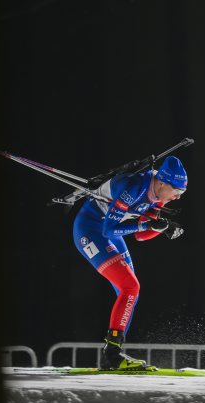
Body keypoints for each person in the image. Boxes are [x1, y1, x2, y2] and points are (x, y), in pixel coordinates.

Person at [72, 155, 187, 370]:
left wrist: (161, 228)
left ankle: (113, 354)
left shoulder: (159, 195)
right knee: (130, 286)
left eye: (182, 193)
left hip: (110, 232)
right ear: (162, 182)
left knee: (129, 292)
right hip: (90, 230)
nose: (178, 197)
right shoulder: (134, 188)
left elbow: (140, 236)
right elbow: (109, 229)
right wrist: (146, 227)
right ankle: (112, 356)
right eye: (177, 192)